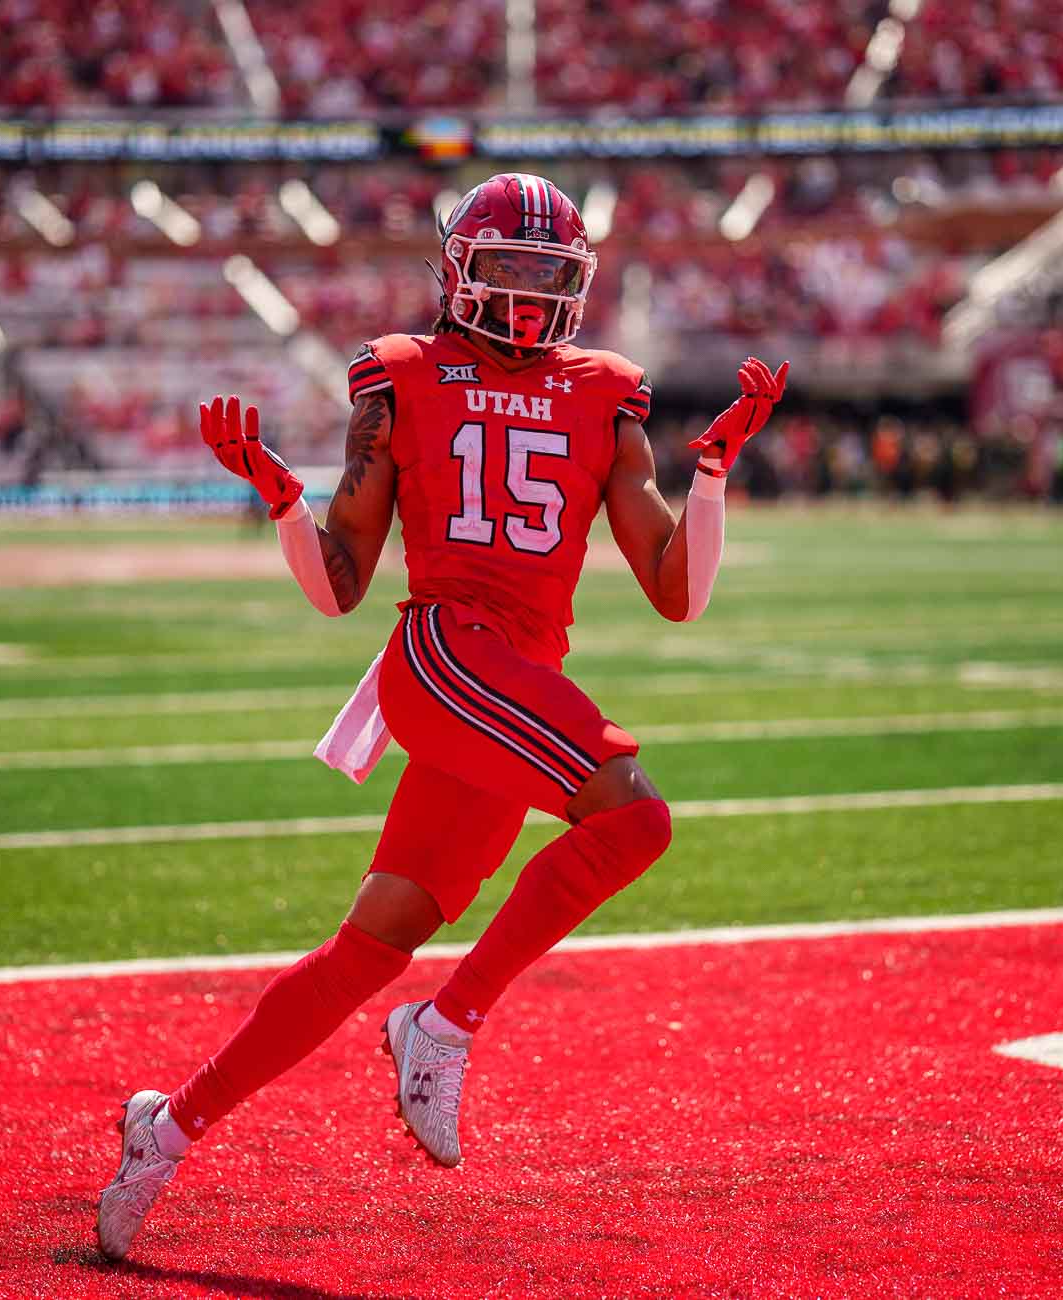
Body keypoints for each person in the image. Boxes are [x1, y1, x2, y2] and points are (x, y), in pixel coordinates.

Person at [96, 173, 787, 1260]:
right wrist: (283, 502)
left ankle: (164, 1127)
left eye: (544, 274)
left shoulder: (607, 390)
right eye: (504, 267)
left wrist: (709, 478)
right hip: (445, 655)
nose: (523, 292)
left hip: (509, 690)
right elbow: (339, 585)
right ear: (457, 270)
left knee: (370, 947)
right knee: (637, 818)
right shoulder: (404, 372)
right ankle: (446, 1022)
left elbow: (677, 592)